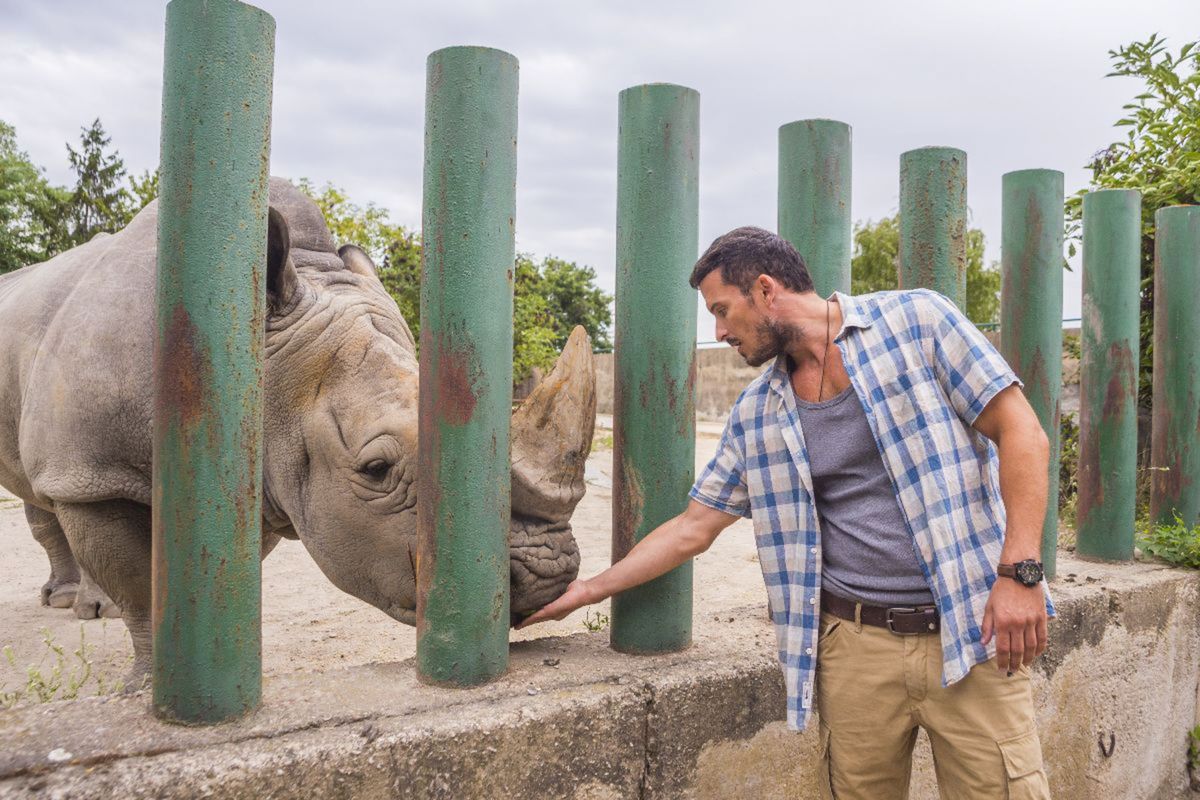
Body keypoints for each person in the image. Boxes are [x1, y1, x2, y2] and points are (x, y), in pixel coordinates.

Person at [520, 226, 1054, 799]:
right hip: (854, 650)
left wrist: (1020, 573)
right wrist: (588, 591)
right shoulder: (757, 412)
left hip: (972, 628)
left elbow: (1021, 431)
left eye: (722, 311)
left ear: (765, 289)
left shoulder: (918, 321)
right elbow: (692, 528)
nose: (719, 333)